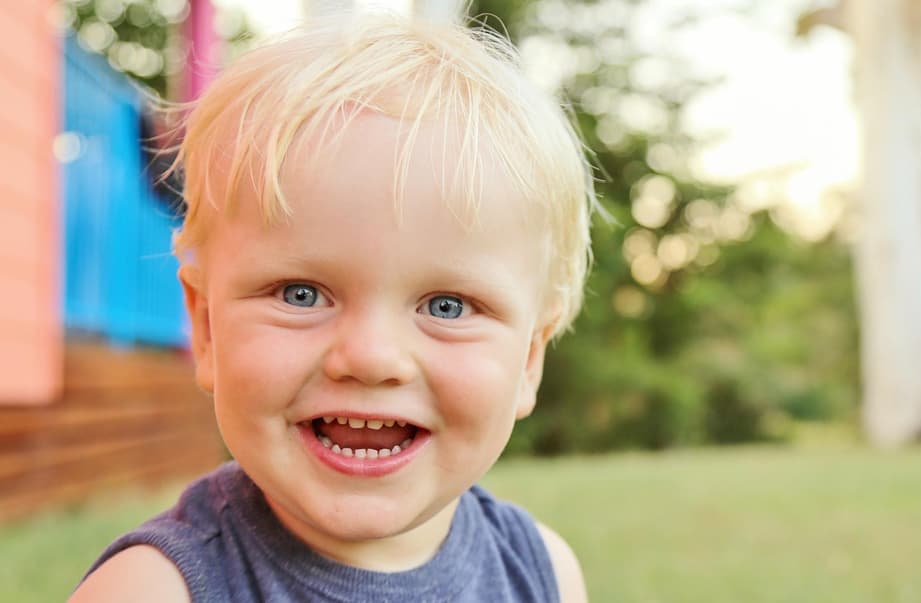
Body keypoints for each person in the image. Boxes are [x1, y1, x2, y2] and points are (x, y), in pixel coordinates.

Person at [72, 11, 594, 603]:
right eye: (302, 294)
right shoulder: (154, 591)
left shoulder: (542, 572)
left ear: (529, 358)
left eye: (447, 306)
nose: (370, 357)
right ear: (208, 327)